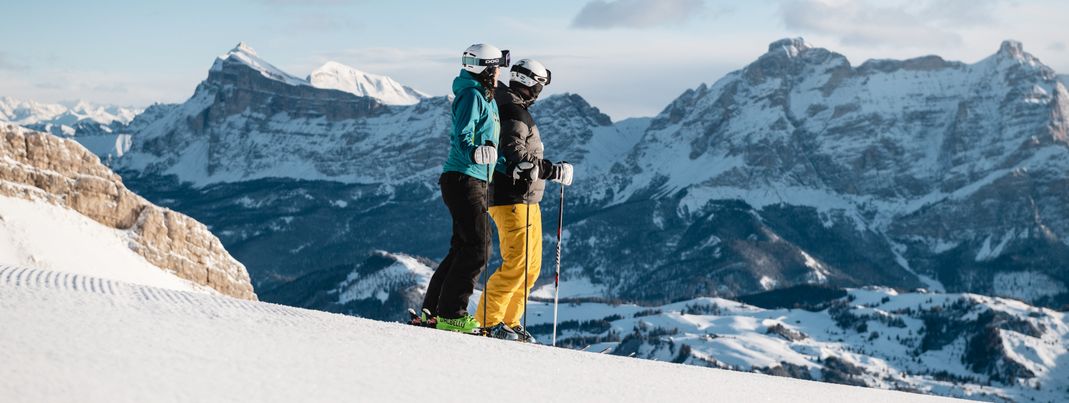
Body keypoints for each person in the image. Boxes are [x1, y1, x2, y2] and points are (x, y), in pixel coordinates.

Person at [475, 59, 573, 342]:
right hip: (511, 197)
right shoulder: (512, 110)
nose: (540, 92)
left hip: (526, 198)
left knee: (530, 267)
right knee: (517, 264)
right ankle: (488, 322)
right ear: (533, 85)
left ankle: (509, 321)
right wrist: (552, 170)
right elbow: (514, 152)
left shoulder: (511, 106)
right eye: (540, 85)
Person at [420, 44, 509, 333]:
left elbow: (492, 146)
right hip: (463, 178)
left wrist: (511, 166)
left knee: (462, 247)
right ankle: (453, 314)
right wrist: (473, 153)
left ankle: (432, 312)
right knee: (479, 247)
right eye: (495, 68)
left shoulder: (486, 97)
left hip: (474, 179)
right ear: (485, 69)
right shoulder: (471, 95)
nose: (498, 74)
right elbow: (462, 134)